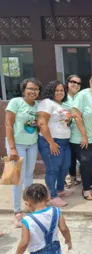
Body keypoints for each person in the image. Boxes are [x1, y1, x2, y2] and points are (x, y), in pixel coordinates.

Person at [5, 78, 42, 227]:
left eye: (36, 89)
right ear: (24, 90)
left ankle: (30, 206)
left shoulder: (38, 105)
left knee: (29, 176)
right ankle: (17, 212)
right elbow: (8, 124)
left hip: (32, 144)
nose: (33, 91)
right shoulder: (16, 102)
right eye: (30, 89)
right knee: (17, 179)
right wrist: (12, 148)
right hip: (17, 145)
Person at [37, 81, 72, 207]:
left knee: (65, 165)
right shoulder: (46, 103)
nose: (59, 92)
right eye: (56, 90)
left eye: (62, 90)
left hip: (64, 141)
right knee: (53, 169)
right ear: (51, 91)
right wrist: (51, 142)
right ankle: (52, 195)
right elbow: (42, 123)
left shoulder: (61, 105)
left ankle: (60, 189)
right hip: (51, 141)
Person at [13, 183, 71, 254]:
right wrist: (68, 240)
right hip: (55, 251)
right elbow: (64, 229)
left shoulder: (27, 220)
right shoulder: (56, 211)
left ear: (27, 204)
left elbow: (24, 243)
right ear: (48, 197)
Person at [62, 75, 82, 188]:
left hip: (77, 133)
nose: (76, 85)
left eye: (78, 83)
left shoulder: (81, 97)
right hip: (64, 132)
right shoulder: (63, 97)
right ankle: (65, 179)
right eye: (73, 82)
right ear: (67, 83)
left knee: (74, 156)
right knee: (66, 158)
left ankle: (74, 177)